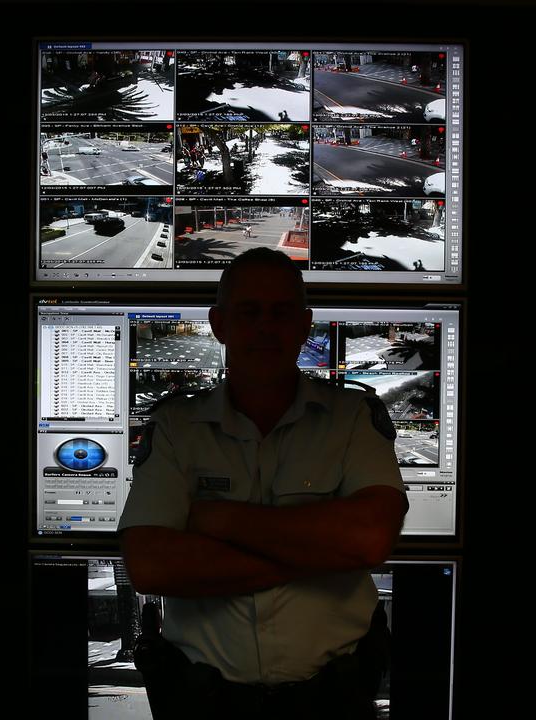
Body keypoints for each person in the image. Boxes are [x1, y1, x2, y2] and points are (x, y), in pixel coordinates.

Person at [119, 247, 408, 719]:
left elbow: (369, 538)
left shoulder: (352, 417)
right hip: (206, 702)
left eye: (281, 312)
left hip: (332, 699)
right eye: (248, 312)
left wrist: (217, 518)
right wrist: (322, 554)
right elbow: (152, 566)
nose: (265, 327)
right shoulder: (176, 426)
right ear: (219, 324)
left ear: (304, 323)